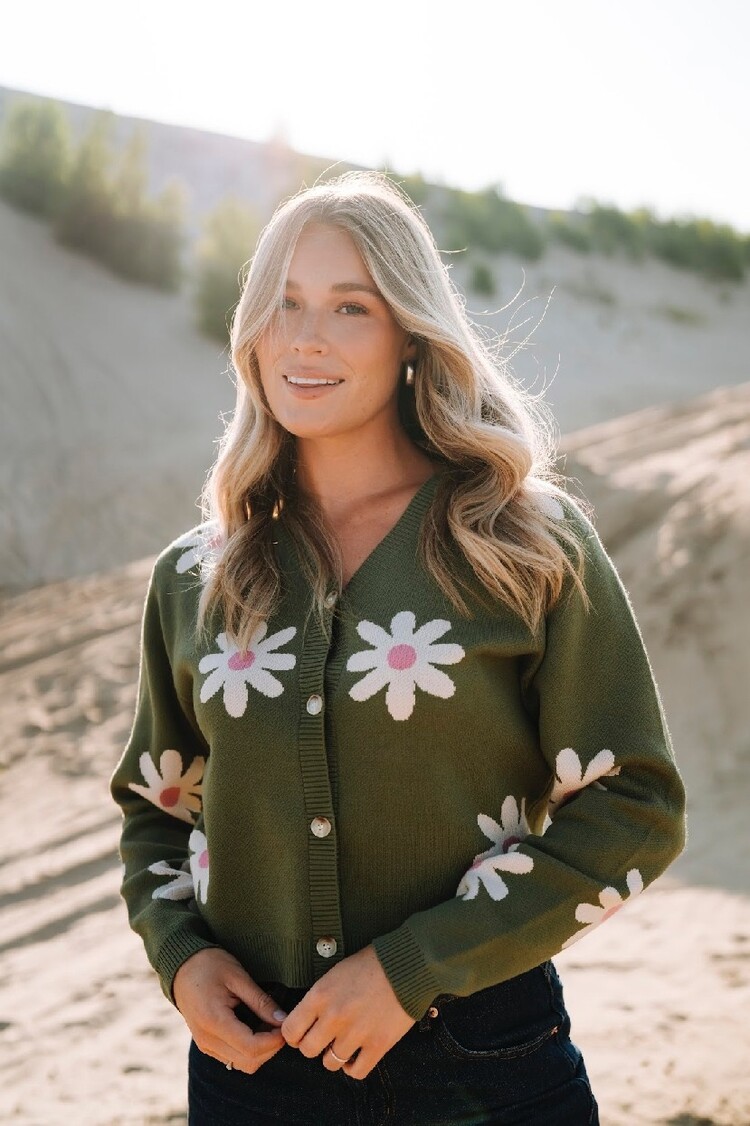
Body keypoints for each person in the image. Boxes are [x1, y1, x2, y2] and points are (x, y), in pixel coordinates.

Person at [110, 170, 686, 1124]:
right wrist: (183, 958)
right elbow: (155, 808)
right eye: (284, 304)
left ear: (411, 337)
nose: (306, 337)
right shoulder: (193, 576)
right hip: (252, 1074)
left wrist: (418, 966)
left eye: (350, 307)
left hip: (482, 1062)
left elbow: (636, 803)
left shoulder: (522, 542)